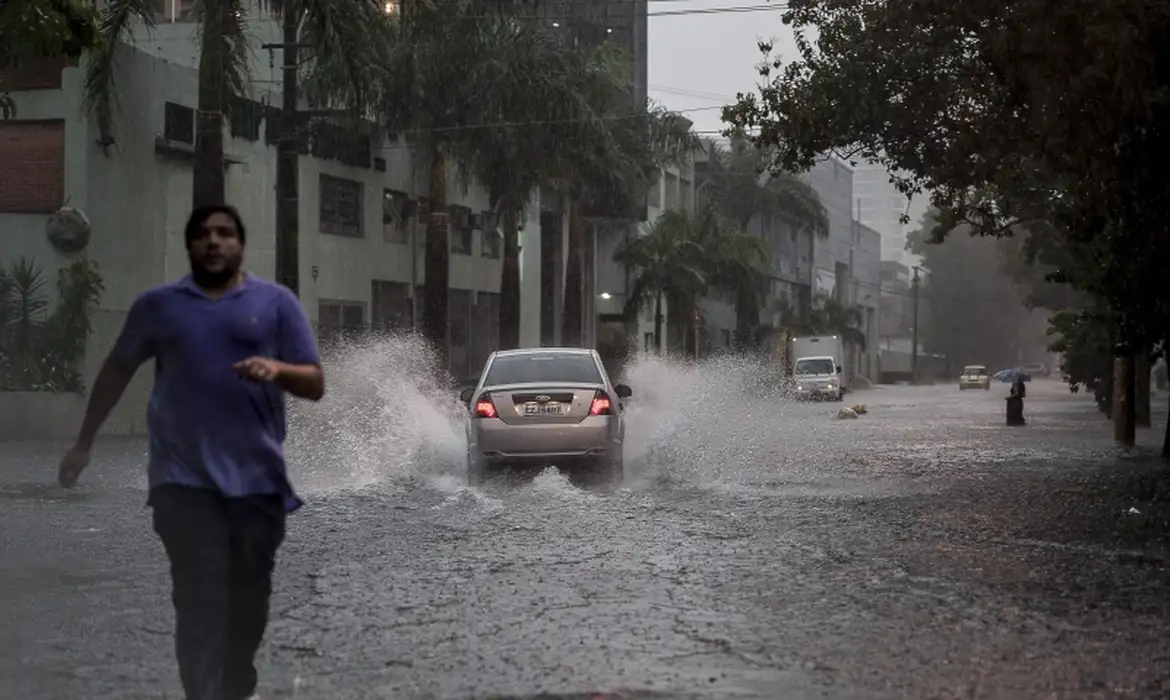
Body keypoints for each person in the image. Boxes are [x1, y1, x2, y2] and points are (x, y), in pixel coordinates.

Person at [56, 204, 325, 700]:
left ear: (241, 245)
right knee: (199, 602)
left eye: (224, 233)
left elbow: (315, 383)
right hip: (182, 484)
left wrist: (276, 369)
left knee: (248, 604)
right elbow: (116, 370)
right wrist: (84, 443)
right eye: (202, 234)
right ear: (189, 247)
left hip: (258, 484)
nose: (213, 242)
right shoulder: (158, 307)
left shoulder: (276, 303)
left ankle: (236, 681)